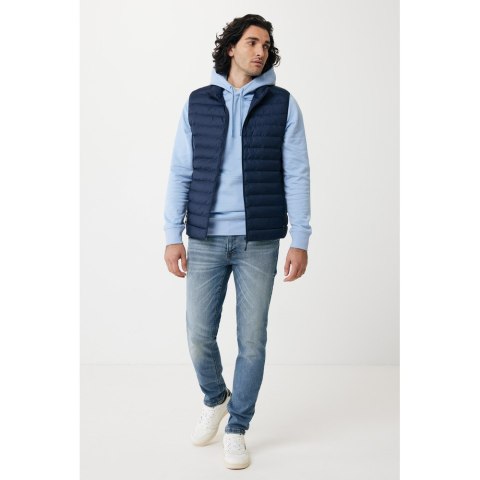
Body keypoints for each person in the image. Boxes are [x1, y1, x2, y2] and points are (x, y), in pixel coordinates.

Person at [163, 13, 312, 470]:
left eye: (266, 45)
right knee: (198, 335)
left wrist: (301, 237)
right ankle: (216, 397)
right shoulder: (198, 102)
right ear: (231, 47)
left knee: (252, 341)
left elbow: (297, 172)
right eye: (252, 42)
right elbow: (181, 170)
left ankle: (237, 427)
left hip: (259, 241)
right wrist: (172, 234)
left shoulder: (282, 104)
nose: (260, 51)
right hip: (205, 237)